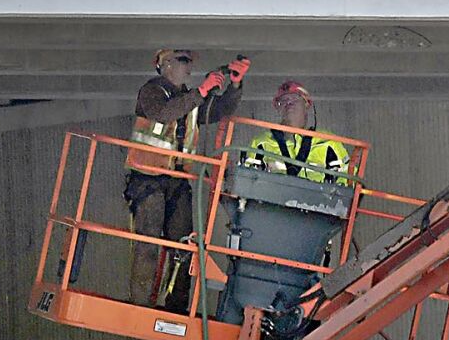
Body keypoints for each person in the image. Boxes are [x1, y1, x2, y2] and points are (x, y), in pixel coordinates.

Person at [126, 48, 250, 311]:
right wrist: (202, 91)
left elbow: (219, 110)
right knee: (149, 242)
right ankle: (140, 305)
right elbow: (163, 113)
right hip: (147, 178)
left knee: (184, 246)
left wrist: (234, 84)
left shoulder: (189, 98)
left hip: (178, 180)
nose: (189, 66)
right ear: (165, 64)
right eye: (183, 60)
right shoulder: (151, 91)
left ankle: (177, 307)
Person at [246, 81, 351, 184]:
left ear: (307, 104)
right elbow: (247, 181)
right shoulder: (261, 143)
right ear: (278, 108)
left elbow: (348, 182)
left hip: (317, 200)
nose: (288, 103)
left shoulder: (327, 141)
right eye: (283, 101)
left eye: (294, 98)